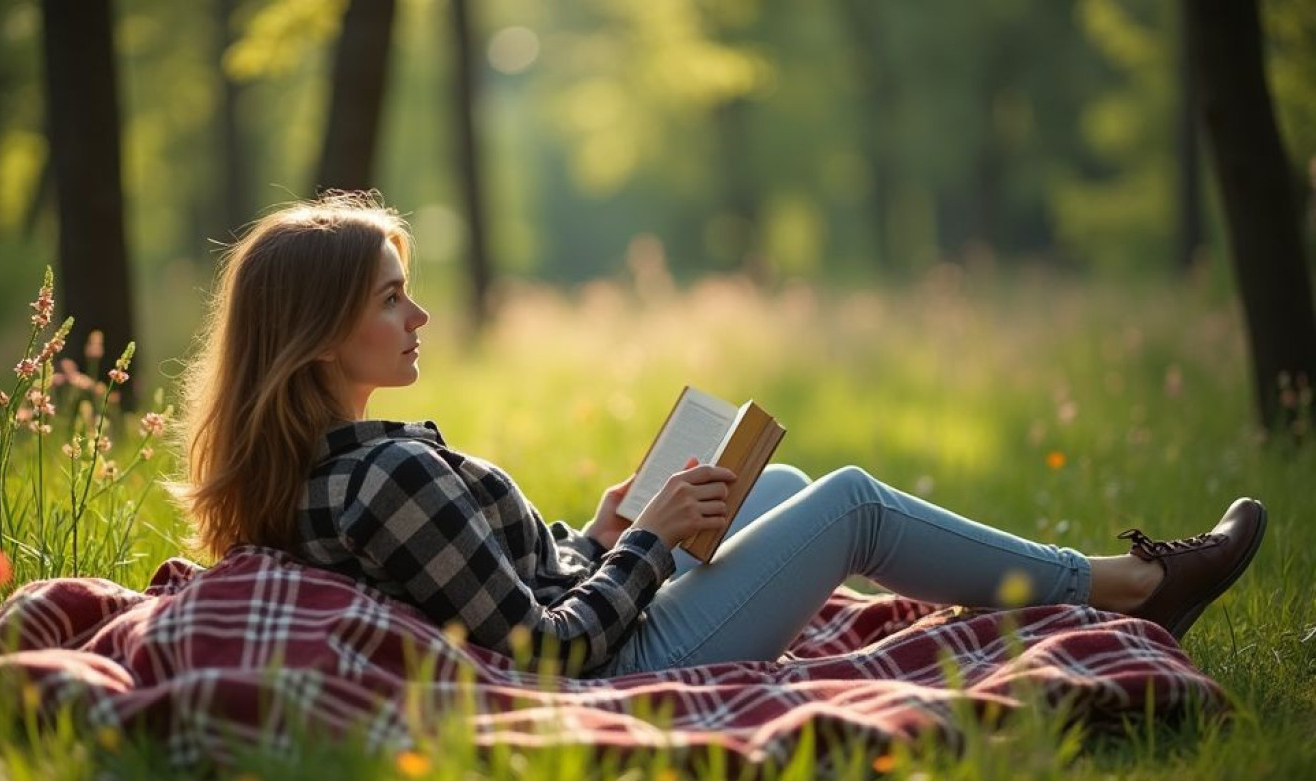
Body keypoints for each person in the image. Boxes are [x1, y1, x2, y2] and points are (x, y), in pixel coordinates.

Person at [176, 192, 1267, 678]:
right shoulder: (390, 478)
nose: (418, 317)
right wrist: (647, 542)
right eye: (389, 300)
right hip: (621, 666)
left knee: (776, 475)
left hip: (592, 615)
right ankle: (1127, 585)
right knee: (847, 500)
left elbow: (495, 588)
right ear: (319, 333)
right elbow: (552, 650)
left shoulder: (337, 473)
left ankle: (1103, 580)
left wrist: (600, 530)